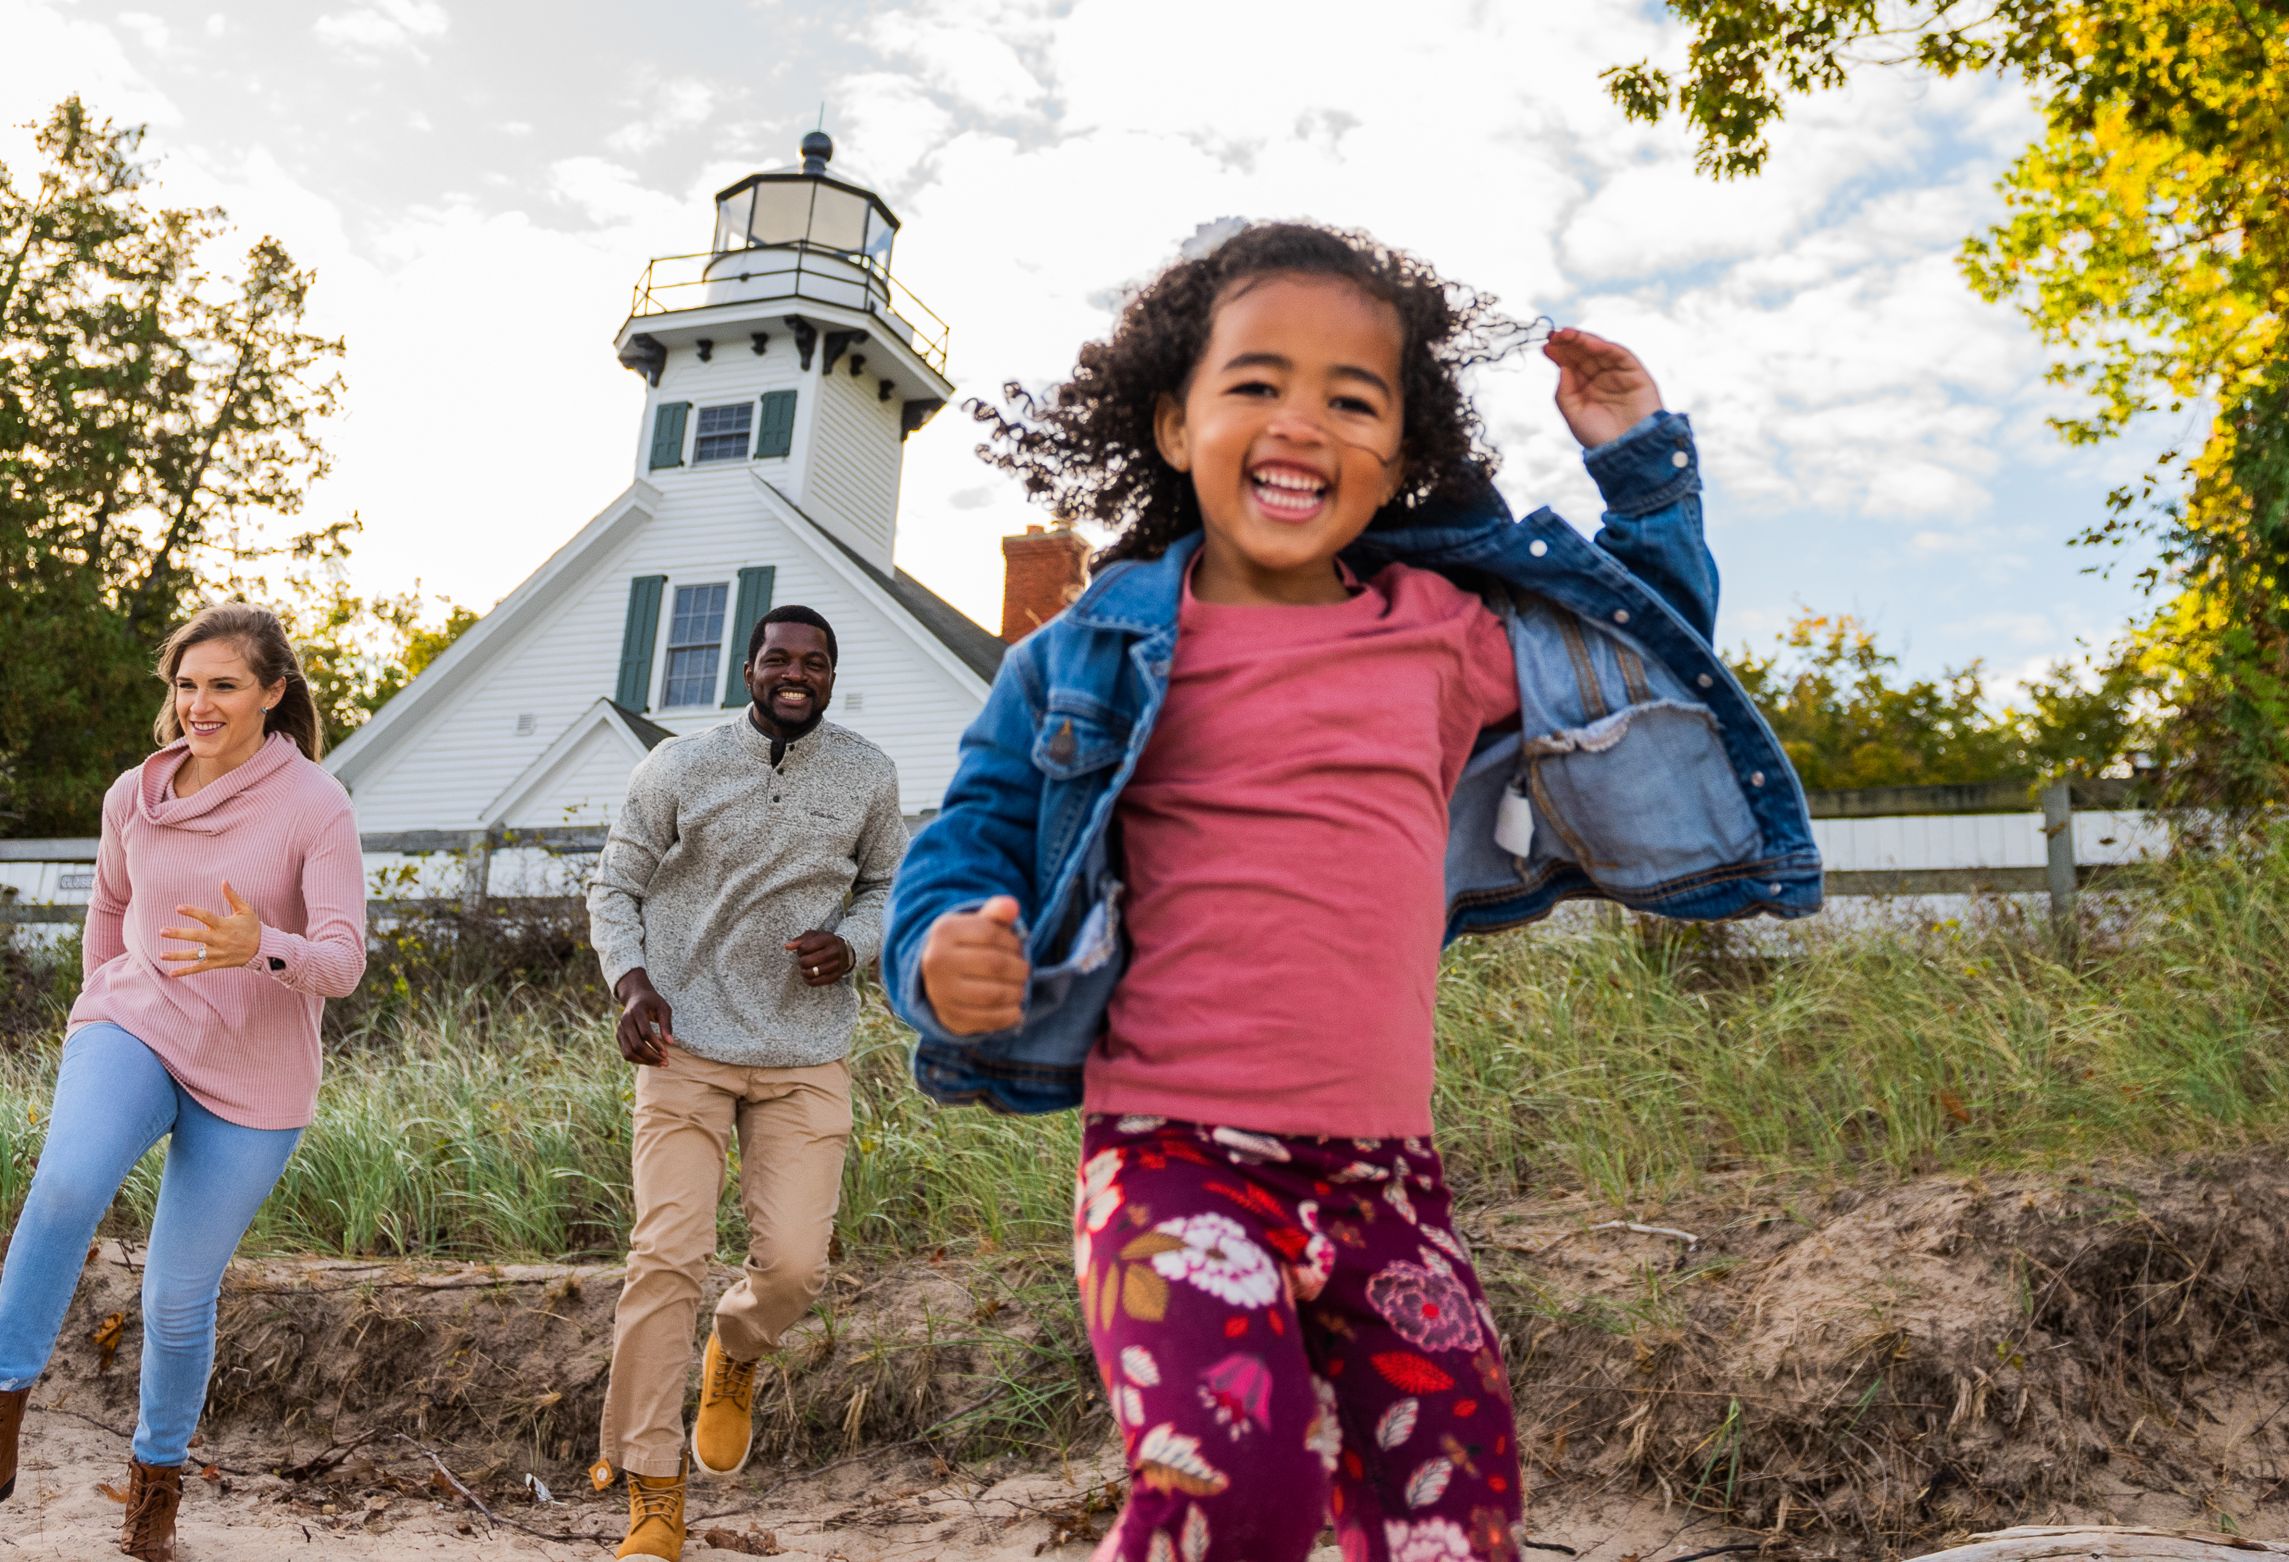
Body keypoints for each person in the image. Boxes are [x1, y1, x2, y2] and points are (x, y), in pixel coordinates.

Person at [885, 220, 1821, 1562]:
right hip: (1169, 1161)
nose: (1302, 421)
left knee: (1454, 1518)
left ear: (1398, 455)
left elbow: (1643, 649)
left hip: (1388, 1178)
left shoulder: (1439, 634)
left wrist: (1638, 457)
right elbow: (973, 828)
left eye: (1352, 397)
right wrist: (937, 945)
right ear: (1170, 421)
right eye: (1257, 383)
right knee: (1237, 1488)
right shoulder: (1085, 650)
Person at [0, 604, 365, 1561]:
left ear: (273, 694)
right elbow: (111, 904)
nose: (198, 704)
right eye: (185, 684)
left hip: (256, 1069)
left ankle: (154, 1491)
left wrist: (262, 947)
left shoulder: (315, 803)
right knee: (68, 1184)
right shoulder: (135, 793)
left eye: (224, 685)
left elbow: (343, 961)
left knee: (174, 1296)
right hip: (139, 1021)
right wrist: (97, 1008)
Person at [584, 601, 908, 1562]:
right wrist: (630, 980)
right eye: (777, 659)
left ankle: (738, 1346)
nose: (794, 674)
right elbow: (616, 882)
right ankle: (652, 1490)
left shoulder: (869, 776)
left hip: (805, 1056)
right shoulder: (678, 766)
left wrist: (852, 944)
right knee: (666, 1256)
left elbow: (893, 887)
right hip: (682, 1047)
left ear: (832, 676)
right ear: (750, 669)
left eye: (813, 662)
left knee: (798, 1266)